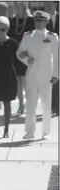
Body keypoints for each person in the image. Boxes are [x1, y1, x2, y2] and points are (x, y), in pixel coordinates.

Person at [16, 10, 59, 140]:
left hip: (46, 75)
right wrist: (27, 60)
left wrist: (56, 74)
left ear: (46, 22)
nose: (38, 23)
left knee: (46, 104)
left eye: (41, 21)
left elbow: (57, 58)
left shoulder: (52, 37)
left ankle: (45, 132)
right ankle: (29, 132)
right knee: (31, 104)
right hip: (32, 74)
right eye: (36, 20)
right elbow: (19, 53)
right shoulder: (28, 36)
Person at [8, 2, 35, 114]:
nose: (15, 7)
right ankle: (20, 103)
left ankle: (29, 104)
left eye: (17, 5)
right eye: (15, 5)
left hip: (26, 54)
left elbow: (34, 38)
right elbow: (8, 37)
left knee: (27, 81)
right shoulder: (12, 21)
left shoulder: (31, 20)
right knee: (18, 81)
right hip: (15, 54)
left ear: (24, 6)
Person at [45, 1, 59, 115]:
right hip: (47, 55)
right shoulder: (42, 20)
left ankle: (56, 106)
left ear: (55, 5)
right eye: (46, 4)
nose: (48, 6)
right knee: (50, 80)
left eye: (50, 4)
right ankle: (53, 106)